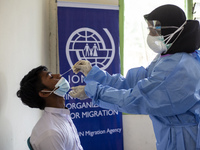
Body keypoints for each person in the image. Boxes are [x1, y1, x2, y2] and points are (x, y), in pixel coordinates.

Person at [69, 4, 200, 150]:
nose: (150, 35)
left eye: (153, 30)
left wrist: (93, 91)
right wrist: (94, 74)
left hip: (185, 141)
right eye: (149, 29)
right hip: (171, 137)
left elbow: (136, 99)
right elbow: (134, 83)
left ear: (168, 30)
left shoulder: (180, 68)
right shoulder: (168, 58)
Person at [16, 66, 83, 150]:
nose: (58, 75)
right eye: (51, 77)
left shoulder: (62, 116)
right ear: (44, 93)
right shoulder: (51, 133)